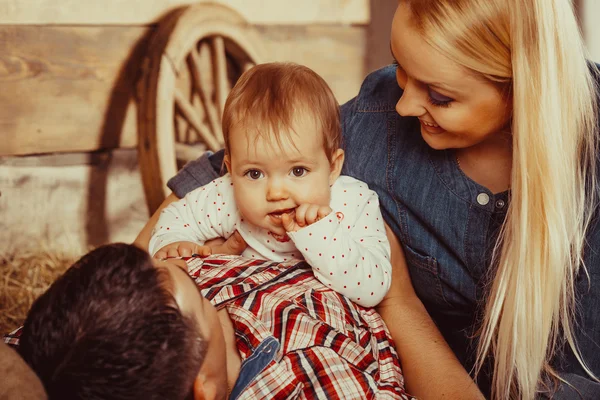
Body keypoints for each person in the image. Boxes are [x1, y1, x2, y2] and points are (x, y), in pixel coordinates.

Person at [135, 0, 600, 398]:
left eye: (439, 96)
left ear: (523, 88)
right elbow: (235, 166)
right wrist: (127, 311)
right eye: (400, 69)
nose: (402, 105)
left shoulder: (586, 183)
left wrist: (397, 298)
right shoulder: (379, 114)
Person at [13, 243, 411, 400]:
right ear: (203, 389)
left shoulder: (53, 353)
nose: (184, 262)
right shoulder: (315, 373)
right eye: (200, 296)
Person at [149, 62, 392, 307]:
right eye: (254, 174)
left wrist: (322, 236)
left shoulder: (353, 202)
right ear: (231, 171)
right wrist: (174, 244)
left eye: (298, 171)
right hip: (249, 314)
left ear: (332, 167)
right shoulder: (227, 194)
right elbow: (176, 218)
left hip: (323, 319)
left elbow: (373, 290)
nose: (276, 193)